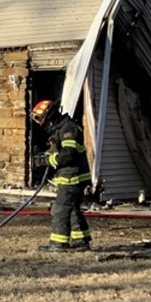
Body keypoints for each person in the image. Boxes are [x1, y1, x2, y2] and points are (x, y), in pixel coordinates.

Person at [31, 99, 93, 252]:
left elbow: (68, 155)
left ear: (50, 116)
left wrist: (48, 160)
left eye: (41, 119)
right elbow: (58, 150)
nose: (41, 124)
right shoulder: (60, 129)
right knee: (72, 209)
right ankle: (81, 241)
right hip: (72, 177)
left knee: (60, 209)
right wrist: (45, 155)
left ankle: (58, 243)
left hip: (72, 178)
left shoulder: (68, 129)